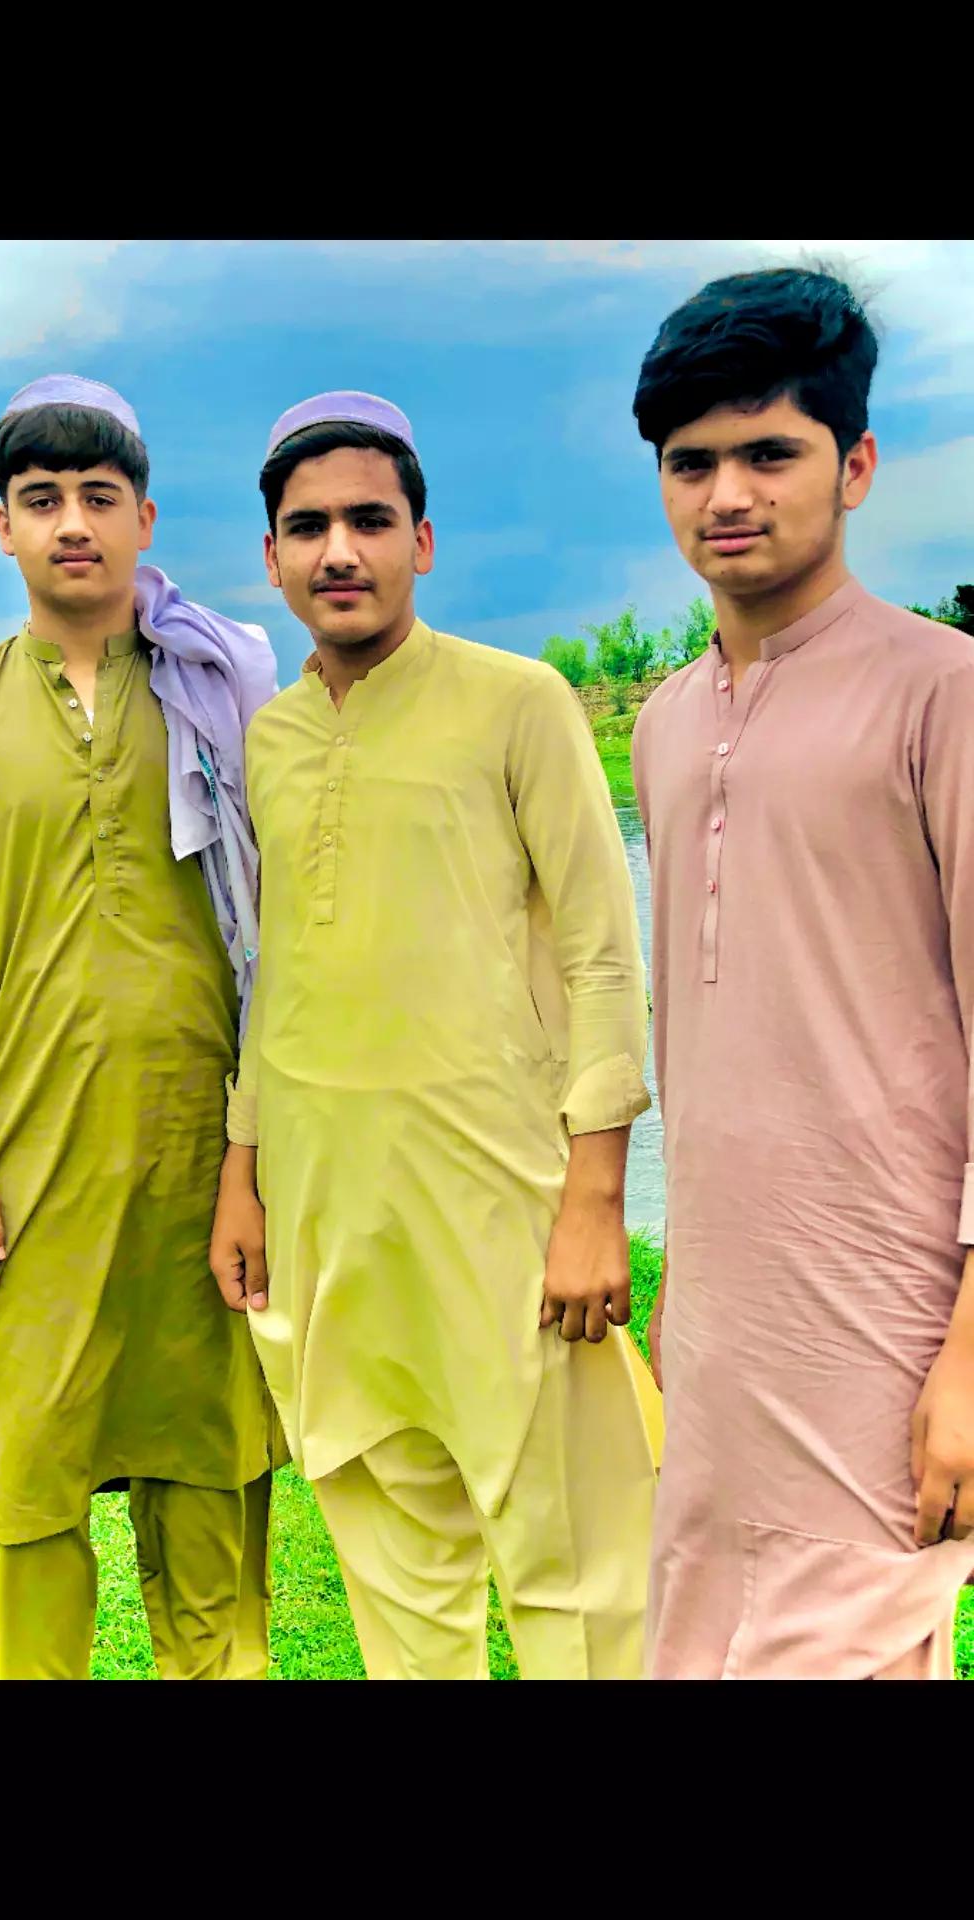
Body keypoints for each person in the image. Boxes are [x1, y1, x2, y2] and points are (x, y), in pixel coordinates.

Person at [208, 389, 662, 1681]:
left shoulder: (519, 703)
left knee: (577, 1565)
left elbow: (603, 956)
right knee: (389, 1551)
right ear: (272, 558)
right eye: (309, 528)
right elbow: (278, 972)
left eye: (369, 520)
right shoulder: (273, 739)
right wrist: (244, 1173)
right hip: (331, 1213)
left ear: (422, 540)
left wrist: (596, 1198)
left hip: (503, 1204)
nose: (339, 550)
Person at [0, 374, 281, 1680]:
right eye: (42, 497)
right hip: (24, 1171)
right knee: (20, 1483)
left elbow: (283, 933)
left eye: (100, 496)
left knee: (210, 1474)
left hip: (200, 1166)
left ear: (144, 519)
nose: (73, 522)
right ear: (1, 524)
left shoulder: (219, 699)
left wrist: (262, 1152)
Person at [631, 268, 974, 1679]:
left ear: (857, 464)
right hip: (728, 1317)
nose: (729, 495)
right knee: (700, 1637)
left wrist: (971, 1353)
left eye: (770, 452)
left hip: (889, 1314)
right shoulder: (662, 725)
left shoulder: (944, 693)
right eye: (691, 461)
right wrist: (684, 1281)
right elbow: (704, 1039)